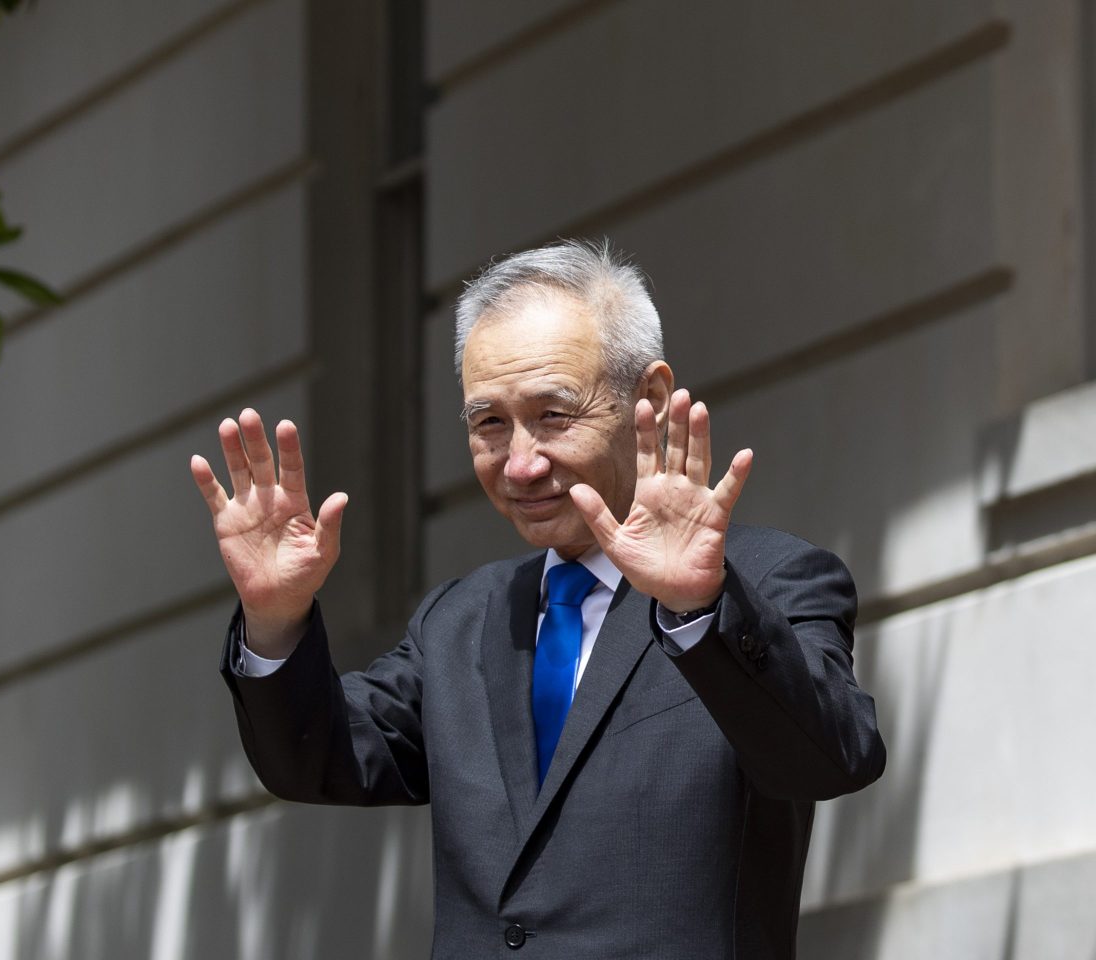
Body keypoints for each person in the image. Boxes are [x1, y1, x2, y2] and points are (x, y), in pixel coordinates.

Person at [189, 239, 885, 959]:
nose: (520, 462)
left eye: (553, 414)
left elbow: (832, 759)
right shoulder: (460, 622)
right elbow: (317, 758)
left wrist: (700, 608)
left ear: (645, 400)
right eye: (489, 422)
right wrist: (274, 616)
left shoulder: (767, 582)